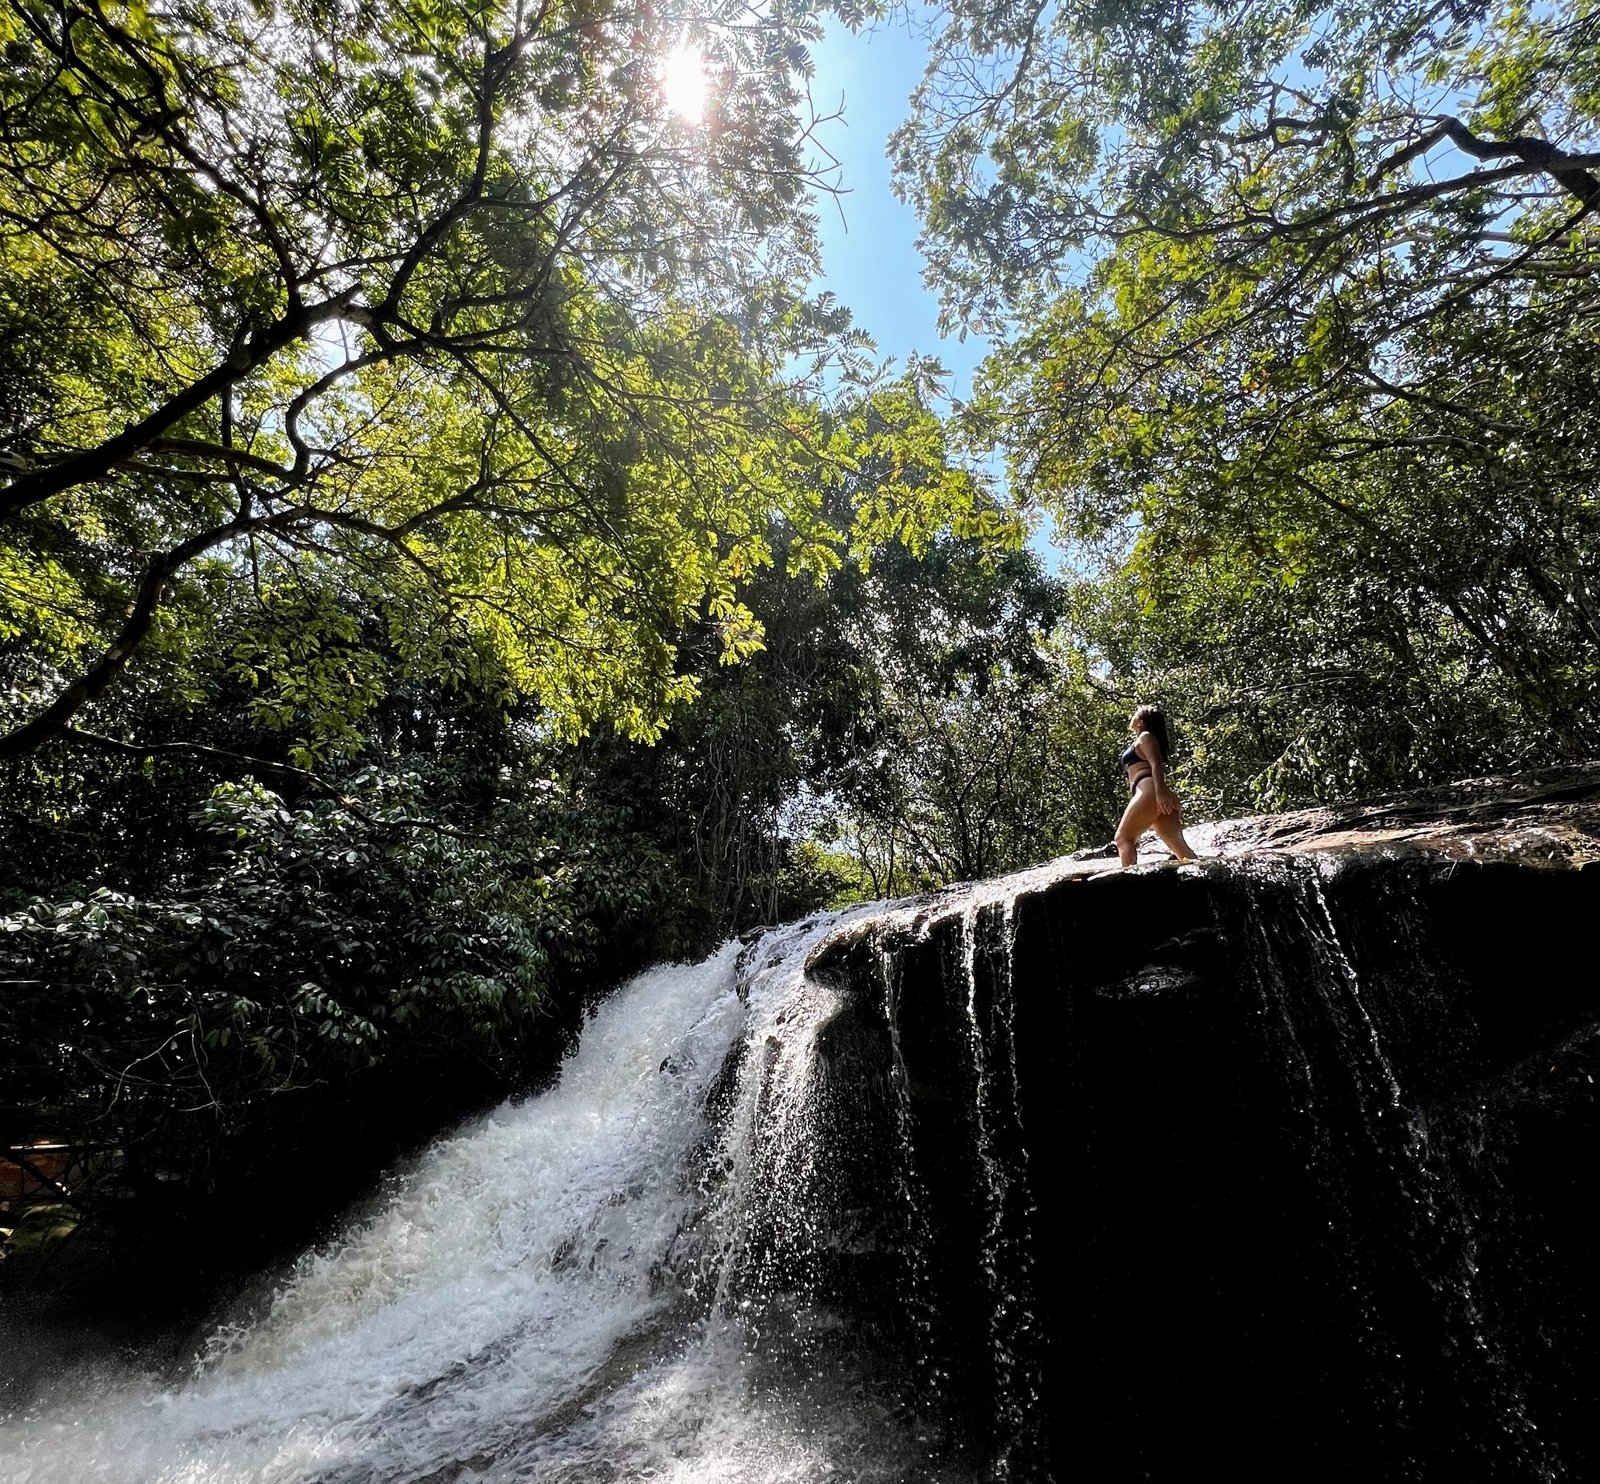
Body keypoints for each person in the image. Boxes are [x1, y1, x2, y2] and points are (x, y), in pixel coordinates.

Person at [1114, 704, 1196, 867]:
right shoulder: (1145, 738)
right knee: (1177, 844)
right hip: (1153, 791)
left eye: (1136, 714)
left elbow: (1156, 764)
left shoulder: (1145, 736)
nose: (1132, 717)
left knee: (1123, 839)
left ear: (1141, 722)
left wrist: (1160, 794)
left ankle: (1129, 885)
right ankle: (1202, 877)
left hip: (1150, 790)